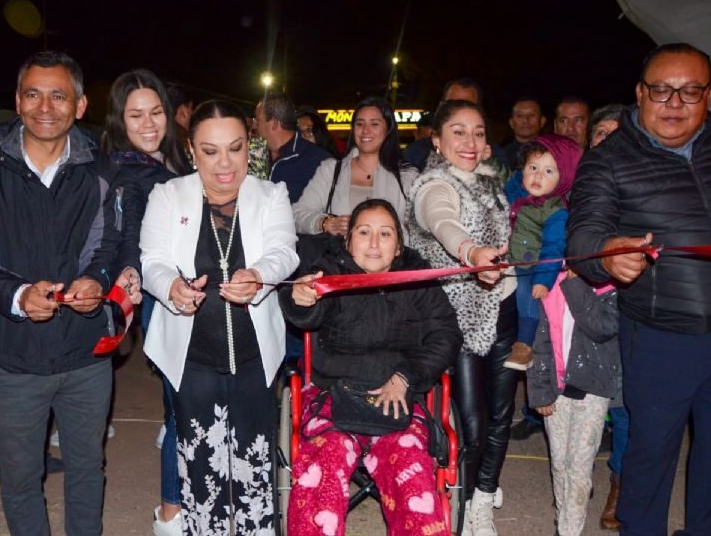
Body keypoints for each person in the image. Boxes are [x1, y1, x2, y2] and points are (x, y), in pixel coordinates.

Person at [0, 50, 121, 535]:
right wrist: (19, 295)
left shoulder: (101, 169)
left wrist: (96, 280)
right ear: (18, 101)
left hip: (85, 350)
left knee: (87, 468)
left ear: (79, 105)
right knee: (20, 477)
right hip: (10, 352)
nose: (46, 107)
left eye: (59, 95)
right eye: (33, 94)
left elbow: (109, 244)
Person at [567, 42, 711, 536]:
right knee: (650, 456)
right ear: (640, 93)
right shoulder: (609, 160)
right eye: (662, 90)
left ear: (708, 96)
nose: (674, 103)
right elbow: (582, 238)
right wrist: (606, 251)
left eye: (690, 91)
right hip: (660, 335)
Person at [140, 99, 299, 535]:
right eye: (210, 151)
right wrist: (172, 287)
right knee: (201, 470)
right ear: (192, 151)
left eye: (235, 148)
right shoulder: (167, 195)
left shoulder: (271, 194)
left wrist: (259, 275)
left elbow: (284, 251)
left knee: (254, 468)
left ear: (250, 145)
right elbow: (152, 261)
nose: (225, 164)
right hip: (191, 359)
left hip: (255, 357)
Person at [281, 198, 462, 535]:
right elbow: (307, 312)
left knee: (411, 474)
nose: (375, 243)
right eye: (364, 232)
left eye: (385, 234)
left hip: (399, 396)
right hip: (334, 394)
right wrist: (301, 297)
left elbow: (446, 336)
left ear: (398, 246)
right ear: (348, 240)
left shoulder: (417, 278)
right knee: (324, 464)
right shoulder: (331, 272)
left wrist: (406, 377)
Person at [407, 100, 518, 536]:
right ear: (436, 140)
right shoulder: (432, 185)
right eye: (458, 131)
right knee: (472, 422)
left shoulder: (493, 184)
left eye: (477, 132)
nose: (469, 142)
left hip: (504, 309)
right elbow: (443, 222)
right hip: (460, 319)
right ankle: (467, 500)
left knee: (502, 415)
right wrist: (471, 253)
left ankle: (482, 498)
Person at [100, 68, 187, 536]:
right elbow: (131, 227)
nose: (149, 123)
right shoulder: (126, 170)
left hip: (187, 294)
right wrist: (130, 271)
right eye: (136, 115)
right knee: (181, 407)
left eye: (156, 112)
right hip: (161, 296)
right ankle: (171, 513)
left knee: (185, 404)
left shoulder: (173, 161)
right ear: (120, 120)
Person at [527, 269, 621, 536]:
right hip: (556, 389)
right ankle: (563, 518)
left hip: (593, 391)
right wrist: (540, 389)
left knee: (579, 468)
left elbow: (601, 328)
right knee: (559, 462)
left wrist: (576, 283)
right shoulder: (550, 286)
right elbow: (541, 340)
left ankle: (569, 530)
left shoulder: (611, 288)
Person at [503, 134, 581, 371]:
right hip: (507, 261)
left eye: (549, 171)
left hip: (532, 265)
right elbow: (507, 183)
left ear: (562, 178)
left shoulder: (555, 211)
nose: (537, 176)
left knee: (527, 297)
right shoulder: (517, 192)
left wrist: (543, 280)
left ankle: (525, 345)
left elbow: (553, 248)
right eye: (533, 168)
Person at [585, 102, 628, 531]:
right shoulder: (568, 188)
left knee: (625, 405)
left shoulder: (644, 192)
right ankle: (574, 479)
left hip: (628, 315)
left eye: (618, 133)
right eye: (601, 133)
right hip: (576, 314)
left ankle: (620, 481)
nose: (608, 141)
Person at [294, 97, 417, 239]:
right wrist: (325, 223)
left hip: (392, 253)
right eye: (360, 124)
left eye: (374, 124)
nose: (365, 130)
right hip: (340, 252)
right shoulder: (331, 170)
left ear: (388, 129)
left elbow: (420, 230)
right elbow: (297, 214)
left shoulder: (407, 176)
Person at [254, 92, 331, 203]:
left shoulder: (318, 162)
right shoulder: (255, 157)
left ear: (274, 123)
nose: (254, 126)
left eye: (258, 121)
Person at [500, 97, 547, 167]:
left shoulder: (552, 153)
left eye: (532, 115)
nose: (525, 120)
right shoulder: (500, 155)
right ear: (511, 123)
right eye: (520, 116)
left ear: (542, 121)